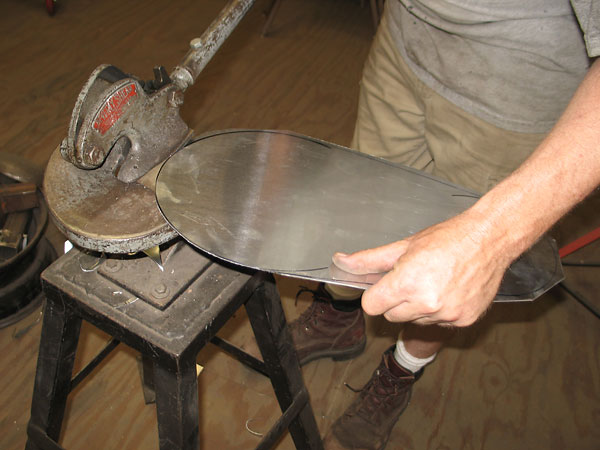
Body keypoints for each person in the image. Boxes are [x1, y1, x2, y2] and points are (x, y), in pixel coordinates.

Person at [286, 1, 600, 449]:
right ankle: (341, 316)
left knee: (439, 274)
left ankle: (401, 368)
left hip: (516, 91)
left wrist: (491, 235)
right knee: (355, 207)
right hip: (403, 42)